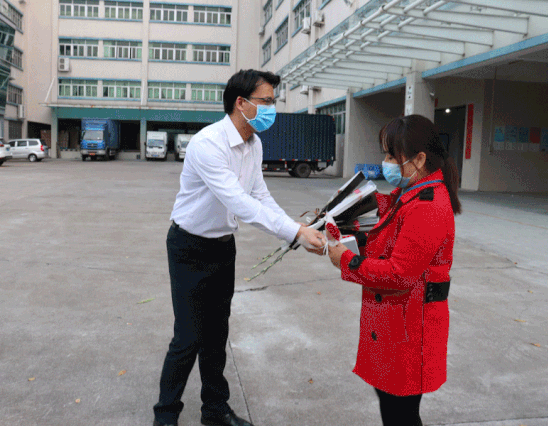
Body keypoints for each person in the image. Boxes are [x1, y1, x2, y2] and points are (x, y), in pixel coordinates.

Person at [153, 70, 326, 426]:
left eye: (273, 101)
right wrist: (293, 231)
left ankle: (215, 410)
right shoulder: (208, 144)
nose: (272, 108)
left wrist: (296, 230)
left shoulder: (253, 144)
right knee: (187, 337)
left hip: (222, 248)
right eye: (266, 101)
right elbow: (238, 202)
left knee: (217, 334)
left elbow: (260, 195)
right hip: (189, 247)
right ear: (241, 103)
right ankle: (165, 416)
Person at [324, 115, 462, 426]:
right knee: (393, 406)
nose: (385, 163)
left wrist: (347, 260)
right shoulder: (409, 194)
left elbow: (399, 273)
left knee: (401, 414)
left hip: (409, 330)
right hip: (395, 325)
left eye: (391, 156)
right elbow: (386, 236)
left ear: (420, 159)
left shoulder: (428, 205)